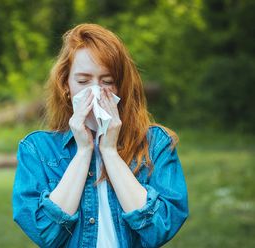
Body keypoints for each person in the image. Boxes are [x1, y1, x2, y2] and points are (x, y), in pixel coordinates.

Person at [12, 23, 188, 248]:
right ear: (66, 84)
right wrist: (84, 151)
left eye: (107, 82)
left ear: (120, 86)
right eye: (83, 81)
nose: (95, 92)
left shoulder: (156, 144)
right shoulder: (37, 149)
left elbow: (159, 229)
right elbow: (45, 233)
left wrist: (109, 152)